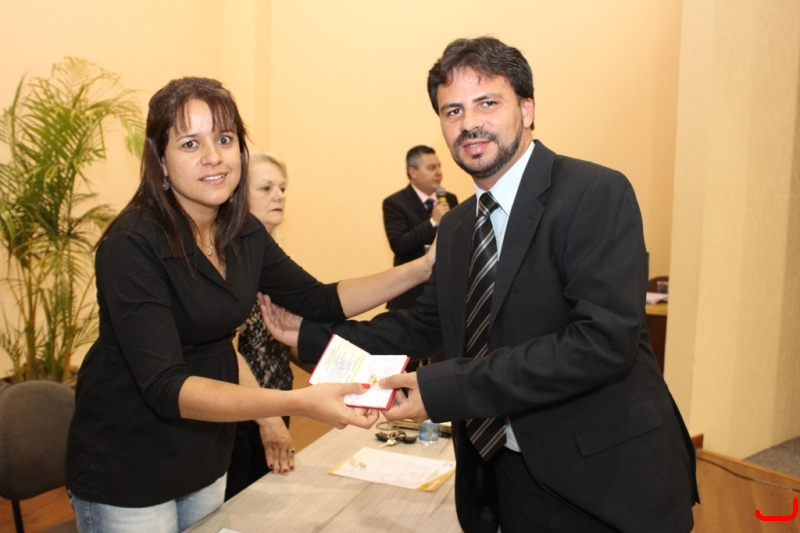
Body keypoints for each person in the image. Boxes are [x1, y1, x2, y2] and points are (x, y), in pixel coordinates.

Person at [263, 37, 699, 533]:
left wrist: (442, 388)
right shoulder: (456, 226)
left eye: (487, 103)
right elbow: (425, 325)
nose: (469, 123)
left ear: (527, 109)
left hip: (605, 481)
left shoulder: (594, 193)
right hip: (502, 479)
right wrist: (312, 336)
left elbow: (601, 343)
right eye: (453, 111)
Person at [65, 77, 435, 533]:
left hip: (205, 453)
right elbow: (166, 385)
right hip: (128, 463)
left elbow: (320, 300)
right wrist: (297, 402)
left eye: (224, 139)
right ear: (160, 159)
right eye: (190, 143)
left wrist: (423, 267)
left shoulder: (241, 232)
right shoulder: (132, 245)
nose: (213, 156)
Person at [225, 151, 296, 500]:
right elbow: (227, 349)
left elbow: (283, 338)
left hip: (276, 403)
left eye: (282, 188)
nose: (279, 196)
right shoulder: (228, 259)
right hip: (242, 416)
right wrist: (267, 418)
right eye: (266, 188)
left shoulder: (271, 256)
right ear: (237, 197)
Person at [382, 145, 458, 311]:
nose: (439, 172)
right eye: (431, 167)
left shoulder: (450, 199)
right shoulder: (395, 203)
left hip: (444, 291)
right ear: (413, 172)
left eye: (439, 166)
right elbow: (399, 244)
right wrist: (433, 222)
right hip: (409, 293)